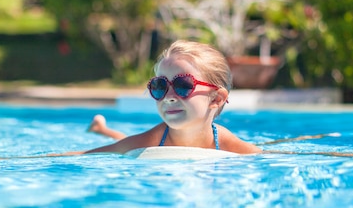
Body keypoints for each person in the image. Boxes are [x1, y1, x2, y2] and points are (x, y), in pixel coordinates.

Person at [55, 40, 262, 156]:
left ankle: (102, 128)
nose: (169, 97)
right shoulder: (152, 140)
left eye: (183, 85)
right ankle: (101, 129)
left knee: (128, 143)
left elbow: (267, 158)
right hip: (149, 143)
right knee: (126, 145)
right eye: (160, 86)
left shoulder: (226, 144)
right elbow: (86, 155)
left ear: (216, 98)